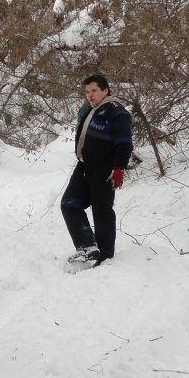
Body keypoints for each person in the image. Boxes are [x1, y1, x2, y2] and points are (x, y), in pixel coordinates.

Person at [61, 74, 133, 269]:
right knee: (69, 204)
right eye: (86, 92)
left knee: (102, 211)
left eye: (93, 91)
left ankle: (105, 256)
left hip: (104, 170)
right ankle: (87, 248)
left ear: (105, 91)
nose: (89, 95)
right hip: (85, 167)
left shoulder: (116, 112)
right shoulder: (92, 110)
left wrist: (119, 168)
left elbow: (125, 143)